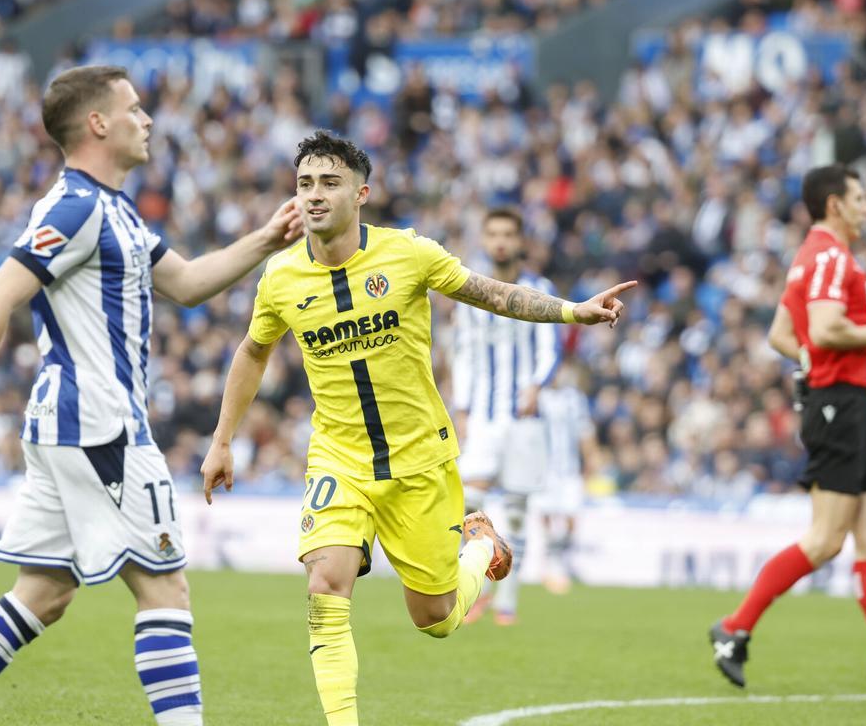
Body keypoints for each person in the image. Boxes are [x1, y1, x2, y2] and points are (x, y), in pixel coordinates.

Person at [0, 65, 303, 726]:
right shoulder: (76, 207)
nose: (147, 120)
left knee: (43, 593)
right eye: (135, 109)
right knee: (165, 587)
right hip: (102, 428)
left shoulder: (116, 211)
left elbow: (191, 282)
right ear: (98, 123)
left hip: (69, 429)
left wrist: (265, 237)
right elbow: (0, 295)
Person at [201, 130, 636, 725]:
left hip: (419, 462)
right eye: (305, 184)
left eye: (330, 182)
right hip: (338, 459)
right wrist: (222, 439)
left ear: (362, 193)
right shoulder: (279, 278)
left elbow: (492, 292)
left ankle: (482, 548)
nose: (314, 195)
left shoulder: (408, 254)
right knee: (326, 585)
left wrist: (571, 311)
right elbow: (253, 353)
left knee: (433, 618)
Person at [708, 164, 866, 698]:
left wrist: (816, 362)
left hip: (847, 404)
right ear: (835, 205)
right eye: (860, 198)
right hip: (840, 407)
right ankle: (734, 626)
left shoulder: (815, 258)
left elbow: (781, 334)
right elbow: (821, 328)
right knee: (824, 541)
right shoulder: (829, 256)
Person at [450, 207, 561, 626]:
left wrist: (535, 384)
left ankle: (507, 602)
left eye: (507, 234)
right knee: (469, 503)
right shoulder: (469, 288)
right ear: (484, 238)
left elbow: (552, 344)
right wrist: (460, 406)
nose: (499, 241)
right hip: (481, 413)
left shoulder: (540, 287)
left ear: (519, 241)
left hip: (523, 416)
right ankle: (475, 584)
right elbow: (462, 351)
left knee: (515, 507)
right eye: (492, 233)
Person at [534, 362, 599, 595]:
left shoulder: (574, 398)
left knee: (572, 515)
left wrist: (591, 457)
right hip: (545, 468)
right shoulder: (539, 397)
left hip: (569, 468)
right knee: (546, 514)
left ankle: (560, 556)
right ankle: (550, 562)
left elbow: (585, 430)